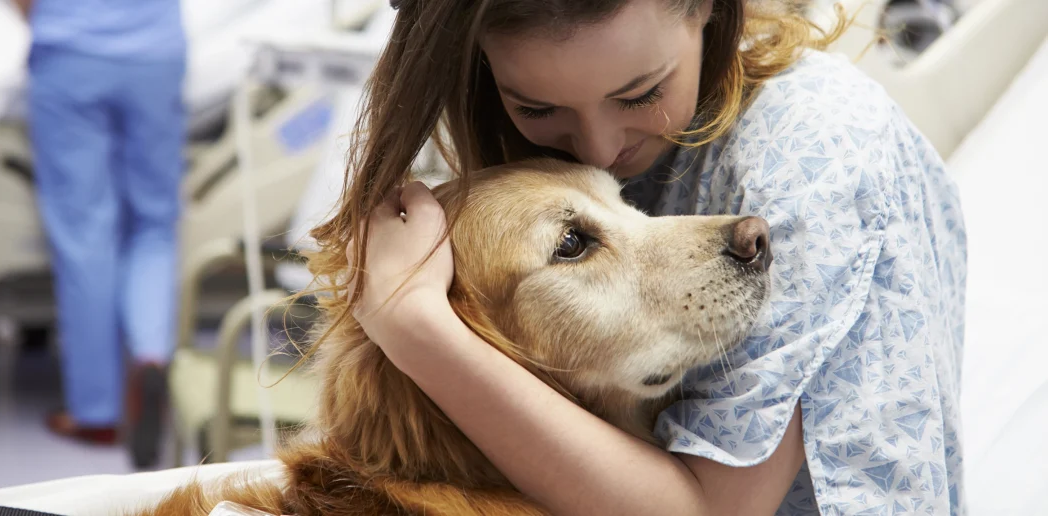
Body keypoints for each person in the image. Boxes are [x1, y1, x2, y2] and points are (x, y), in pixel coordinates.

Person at [325, 0, 967, 514]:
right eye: (537, 108)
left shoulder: (814, 153)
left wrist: (413, 325)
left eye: (638, 95)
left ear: (708, 9)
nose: (599, 150)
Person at [13, 0, 186, 469]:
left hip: (71, 52)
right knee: (153, 224)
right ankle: (152, 359)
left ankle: (98, 413)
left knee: (85, 233)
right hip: (155, 53)